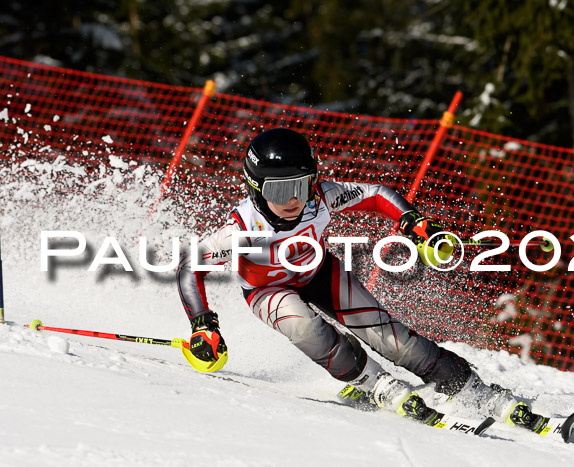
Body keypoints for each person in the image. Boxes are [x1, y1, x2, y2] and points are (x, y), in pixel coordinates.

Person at [176, 127, 542, 430]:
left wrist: (414, 224)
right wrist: (203, 325)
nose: (292, 199)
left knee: (389, 336)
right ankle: (368, 381)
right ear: (256, 189)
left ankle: (467, 386)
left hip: (319, 272)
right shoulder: (239, 230)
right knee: (306, 329)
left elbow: (378, 195)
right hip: (267, 290)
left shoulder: (321, 198)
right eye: (278, 189)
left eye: (300, 185)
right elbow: (190, 267)